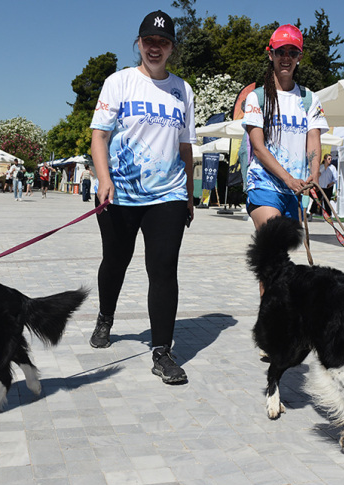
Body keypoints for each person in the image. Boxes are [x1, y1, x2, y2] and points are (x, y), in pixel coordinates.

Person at [89, 10, 195, 384]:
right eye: (149, 41)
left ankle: (162, 351)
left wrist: (189, 194)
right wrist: (104, 180)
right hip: (119, 193)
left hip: (167, 194)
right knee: (115, 261)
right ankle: (105, 315)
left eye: (163, 42)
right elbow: (99, 136)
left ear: (171, 48)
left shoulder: (183, 90)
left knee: (163, 269)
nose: (155, 48)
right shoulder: (119, 83)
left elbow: (185, 148)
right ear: (139, 43)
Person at [243, 24, 327, 231]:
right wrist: (287, 179)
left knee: (280, 257)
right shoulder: (258, 97)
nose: (286, 58)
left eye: (292, 52)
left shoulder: (309, 98)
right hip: (264, 184)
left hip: (296, 190)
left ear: (300, 57)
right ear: (270, 54)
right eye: (280, 51)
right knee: (274, 241)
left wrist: (314, 174)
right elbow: (258, 148)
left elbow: (314, 141)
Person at [311, 153, 337, 218]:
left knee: (327, 202)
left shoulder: (332, 168)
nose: (330, 160)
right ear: (325, 159)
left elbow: (335, 179)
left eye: (331, 159)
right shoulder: (321, 167)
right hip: (320, 187)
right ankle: (311, 214)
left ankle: (329, 216)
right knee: (316, 200)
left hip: (328, 187)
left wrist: (330, 184)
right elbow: (316, 175)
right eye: (329, 159)